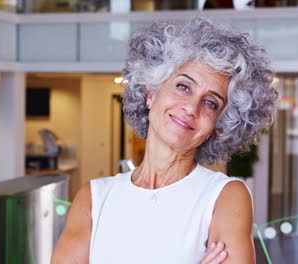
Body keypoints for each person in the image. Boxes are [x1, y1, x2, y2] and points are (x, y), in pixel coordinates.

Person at [52, 18, 277, 263]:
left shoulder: (225, 196)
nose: (191, 107)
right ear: (151, 94)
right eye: (183, 87)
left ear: (218, 126)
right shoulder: (94, 197)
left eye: (211, 103)